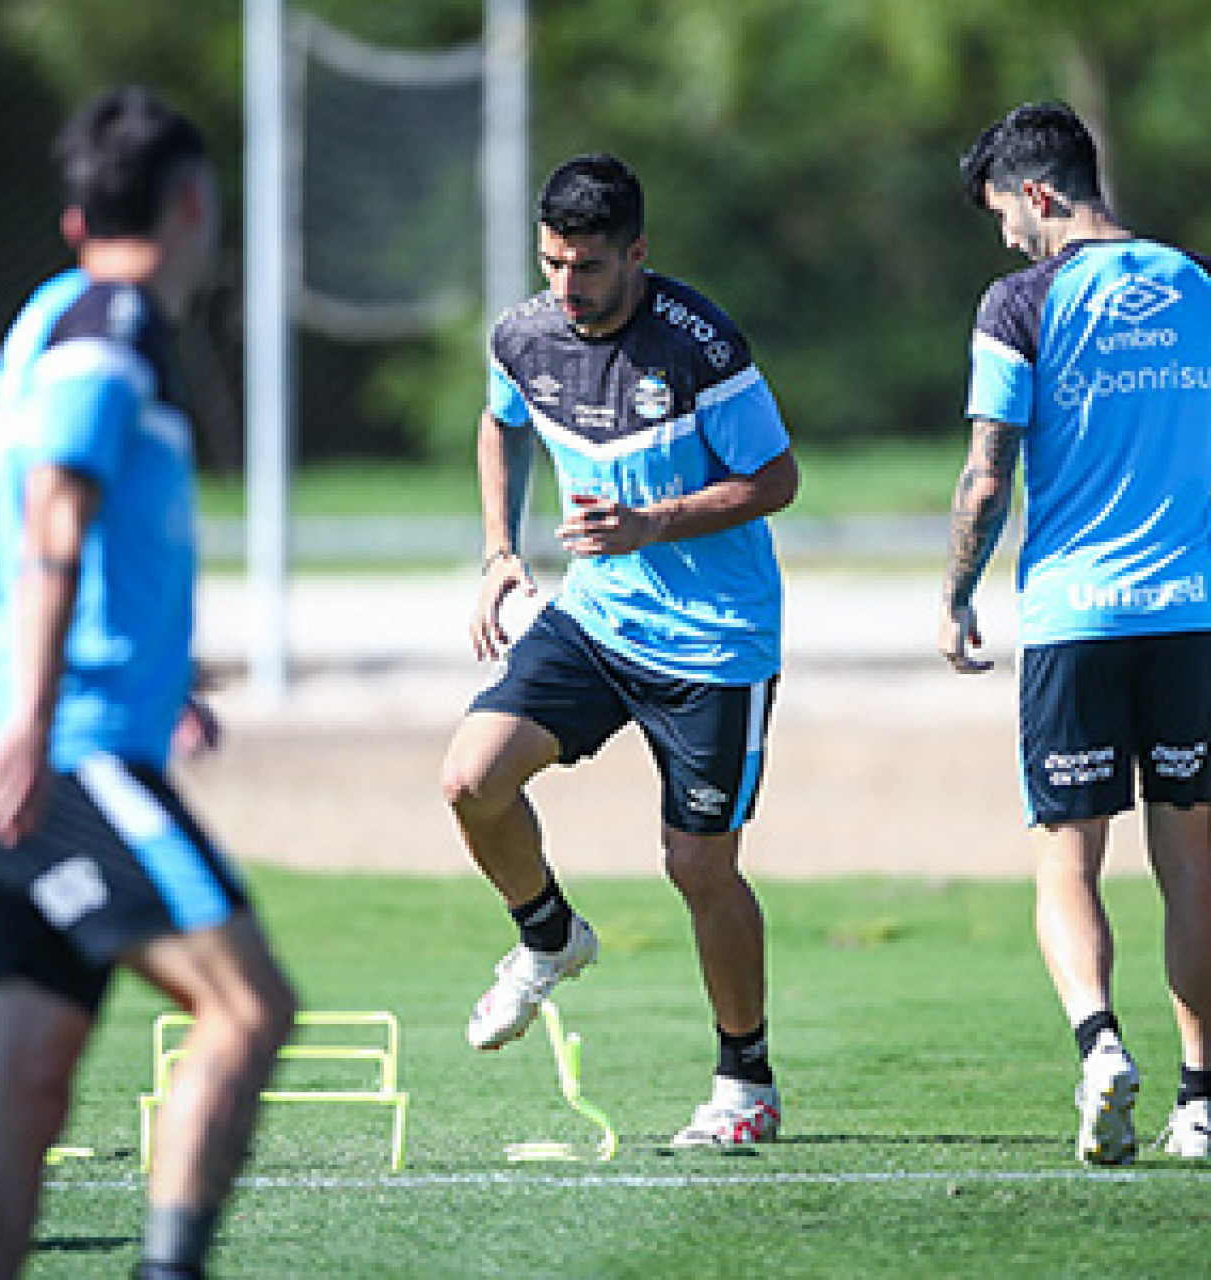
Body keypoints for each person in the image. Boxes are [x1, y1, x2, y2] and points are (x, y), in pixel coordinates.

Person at [0, 87, 298, 1280]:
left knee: (23, 1112)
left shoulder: (44, 318)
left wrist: (135, 652)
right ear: (195, 202)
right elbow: (47, 513)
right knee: (248, 1008)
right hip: (61, 752)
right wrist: (42, 713)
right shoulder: (115, 329)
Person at [941, 102, 1211, 1165]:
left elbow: (988, 472)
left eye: (1006, 211)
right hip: (1184, 615)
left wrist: (957, 589)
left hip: (1074, 619)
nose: (1005, 234)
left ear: (1040, 194)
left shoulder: (1019, 303)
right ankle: (1203, 1103)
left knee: (1067, 857)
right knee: (1190, 856)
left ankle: (1098, 1046)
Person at [439, 153, 799, 1146]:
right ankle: (550, 935)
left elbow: (776, 477)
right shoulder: (523, 334)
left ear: (635, 254)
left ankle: (746, 1082)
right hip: (594, 619)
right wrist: (500, 551)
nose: (567, 285)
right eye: (553, 262)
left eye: (588, 266)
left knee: (698, 865)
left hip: (715, 646)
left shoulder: (702, 345)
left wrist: (655, 521)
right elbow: (499, 423)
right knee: (471, 778)